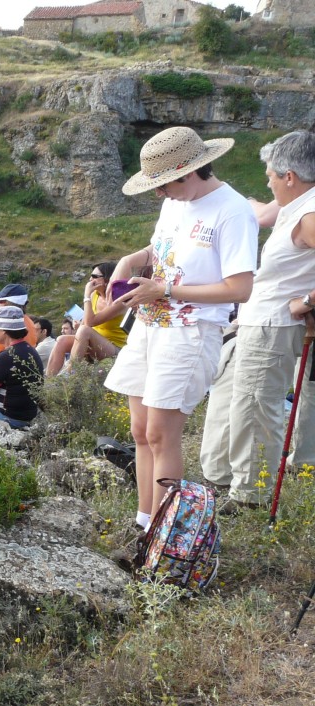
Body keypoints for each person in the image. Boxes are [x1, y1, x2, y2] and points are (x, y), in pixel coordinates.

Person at [105, 126, 258, 540]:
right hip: (151, 323)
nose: (159, 194)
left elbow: (240, 288)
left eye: (162, 184)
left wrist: (165, 289)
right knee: (140, 430)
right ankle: (143, 522)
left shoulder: (232, 210)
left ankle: (161, 534)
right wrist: (128, 261)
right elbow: (159, 250)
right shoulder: (177, 202)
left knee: (160, 434)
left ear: (188, 172)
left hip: (191, 331)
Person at [200, 130, 315, 512]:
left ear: (289, 177)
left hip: (275, 324)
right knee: (232, 399)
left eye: (270, 175)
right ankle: (218, 479)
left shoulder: (310, 212)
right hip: (257, 320)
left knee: (254, 407)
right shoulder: (296, 206)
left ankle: (248, 497)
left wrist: (309, 300)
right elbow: (259, 210)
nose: (266, 181)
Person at [46, 262, 129, 376]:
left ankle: (69, 373)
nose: (90, 279)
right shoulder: (95, 295)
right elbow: (86, 322)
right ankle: (49, 380)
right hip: (94, 341)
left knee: (84, 330)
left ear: (107, 279)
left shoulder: (119, 301)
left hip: (114, 347)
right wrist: (79, 325)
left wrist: (86, 296)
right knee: (61, 340)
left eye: (95, 276)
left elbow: (89, 323)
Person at [0, 305, 44, 429]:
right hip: (25, 416)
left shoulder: (4, 358)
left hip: (6, 417)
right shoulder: (31, 351)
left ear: (4, 330)